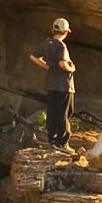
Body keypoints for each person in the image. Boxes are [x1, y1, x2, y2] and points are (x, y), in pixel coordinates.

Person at [26, 17, 76, 149]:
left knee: (52, 111)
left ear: (53, 30)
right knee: (64, 112)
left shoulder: (47, 43)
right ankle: (62, 142)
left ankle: (52, 139)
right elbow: (62, 63)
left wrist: (47, 66)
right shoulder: (61, 46)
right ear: (66, 32)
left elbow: (33, 57)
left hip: (51, 83)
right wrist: (71, 68)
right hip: (64, 85)